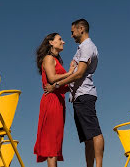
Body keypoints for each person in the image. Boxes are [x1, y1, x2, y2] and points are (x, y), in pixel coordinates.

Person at [44, 19, 104, 167]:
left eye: (72, 32)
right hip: (78, 96)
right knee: (87, 137)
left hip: (84, 94)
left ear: (81, 29)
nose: (70, 36)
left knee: (94, 132)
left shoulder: (87, 47)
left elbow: (79, 74)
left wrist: (56, 85)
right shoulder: (81, 48)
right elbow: (73, 73)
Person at [34, 33, 75, 167]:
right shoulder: (48, 58)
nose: (63, 42)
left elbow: (61, 84)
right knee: (51, 143)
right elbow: (51, 78)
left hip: (58, 101)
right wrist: (70, 73)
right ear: (51, 42)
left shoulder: (56, 60)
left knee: (55, 141)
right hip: (51, 101)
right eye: (60, 40)